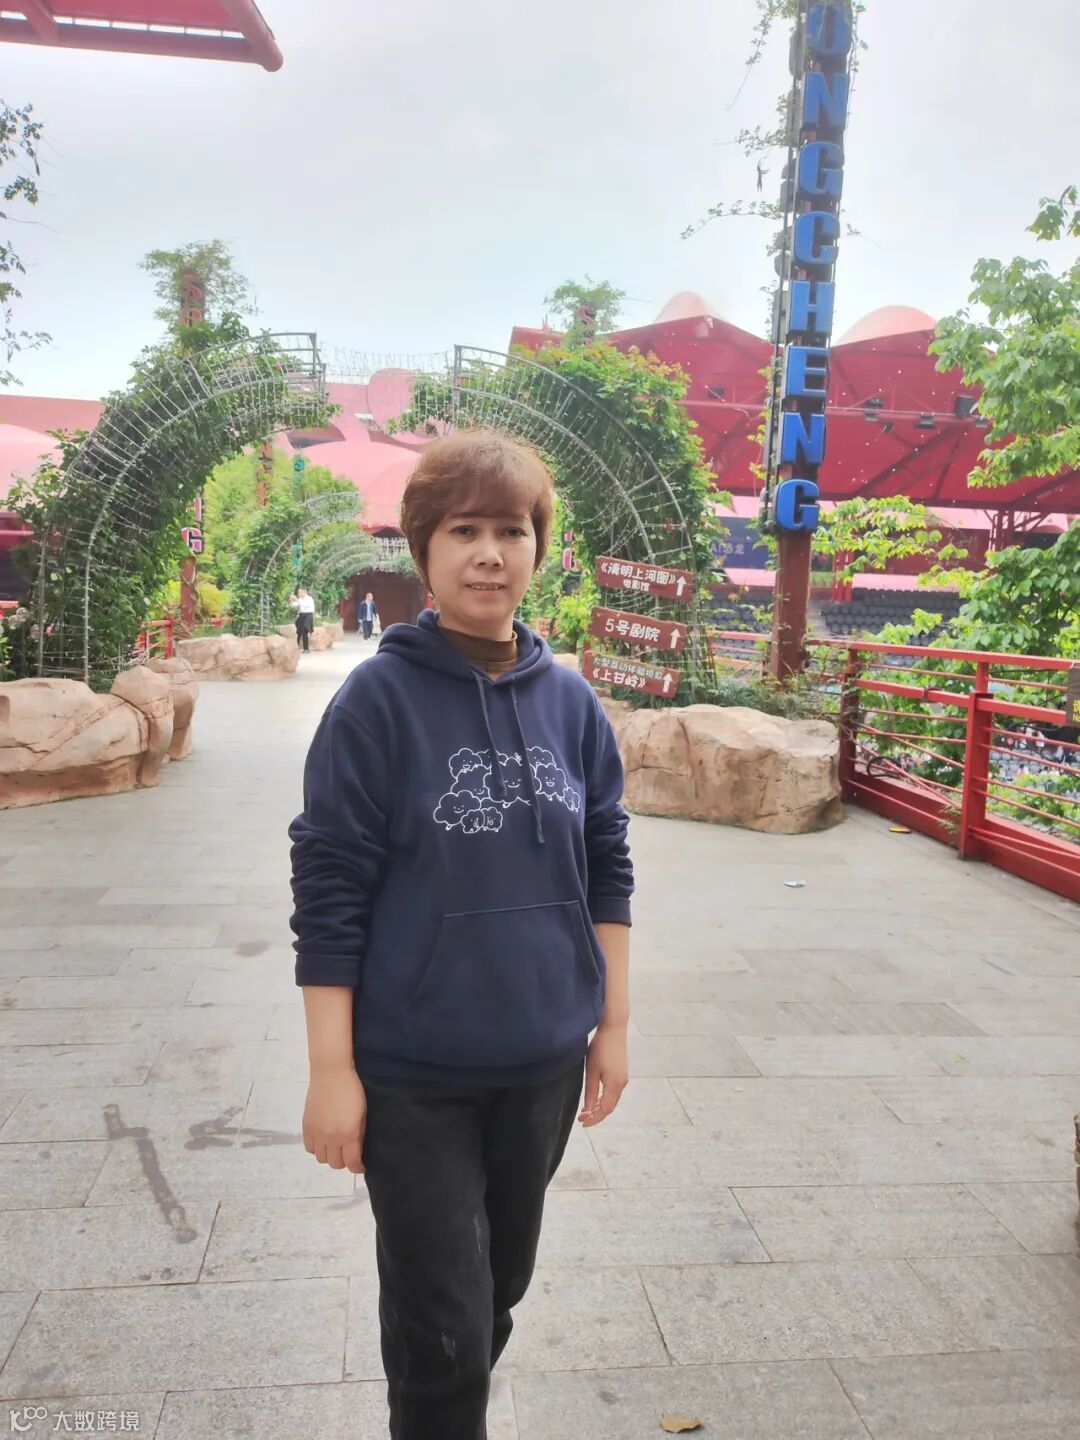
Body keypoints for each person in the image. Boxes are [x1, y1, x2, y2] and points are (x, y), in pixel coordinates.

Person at [289, 430, 633, 1439]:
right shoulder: (376, 702)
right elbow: (330, 886)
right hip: (414, 1074)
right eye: (464, 531)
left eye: (512, 531)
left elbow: (607, 864)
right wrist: (331, 1071)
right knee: (441, 1322)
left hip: (542, 1065)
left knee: (494, 1296)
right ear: (424, 551)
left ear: (538, 549)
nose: (490, 554)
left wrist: (611, 1025)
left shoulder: (572, 704)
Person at [290, 586, 316, 652]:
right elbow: (293, 605)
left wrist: (296, 599)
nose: (299, 593)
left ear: (304, 592)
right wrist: (291, 600)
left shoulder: (309, 599)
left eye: (300, 592)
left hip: (308, 615)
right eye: (299, 592)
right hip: (301, 615)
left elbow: (305, 605)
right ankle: (296, 648)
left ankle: (306, 649)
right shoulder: (300, 599)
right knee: (298, 632)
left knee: (304, 631)